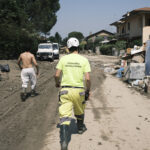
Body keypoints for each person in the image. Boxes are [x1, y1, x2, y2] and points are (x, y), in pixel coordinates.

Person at [54, 37, 91, 150]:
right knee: (80, 110)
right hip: (79, 90)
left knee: (65, 116)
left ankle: (64, 142)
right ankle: (80, 129)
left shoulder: (63, 59)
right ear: (78, 47)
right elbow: (88, 79)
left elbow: (56, 75)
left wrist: (57, 83)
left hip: (65, 90)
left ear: (68, 48)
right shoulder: (84, 60)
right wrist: (88, 91)